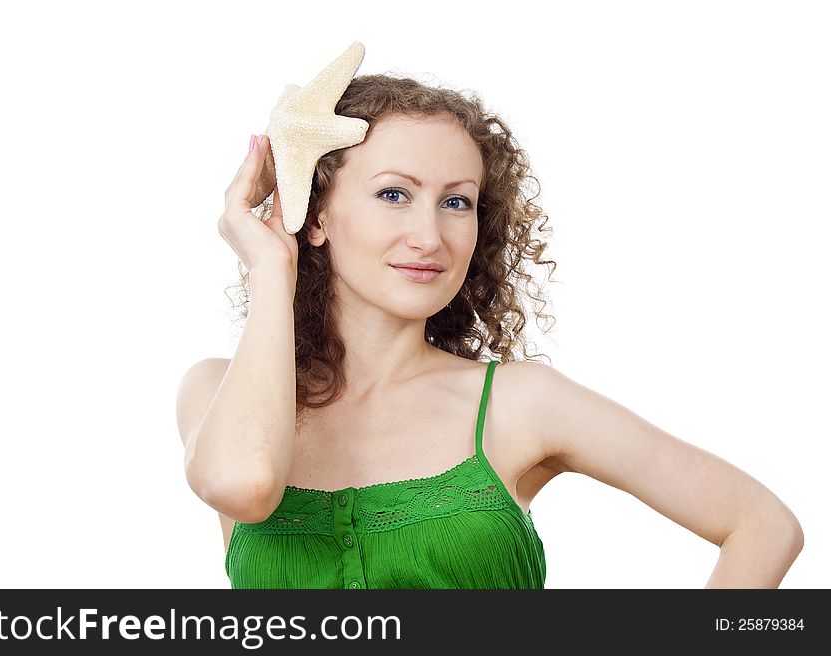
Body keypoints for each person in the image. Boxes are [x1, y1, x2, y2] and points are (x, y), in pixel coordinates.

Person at [175, 74, 803, 589]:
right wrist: (271, 264)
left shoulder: (521, 405)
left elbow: (762, 525)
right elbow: (245, 487)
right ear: (315, 216)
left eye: (457, 202)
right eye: (394, 194)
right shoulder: (216, 393)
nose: (429, 237)